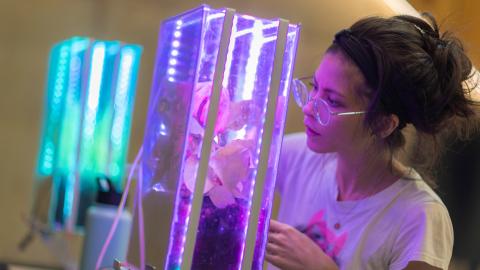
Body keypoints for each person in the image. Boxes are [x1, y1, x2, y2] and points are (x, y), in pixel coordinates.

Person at [265, 13, 479, 270]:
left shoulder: (420, 217)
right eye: (314, 87)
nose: (309, 108)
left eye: (332, 101)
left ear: (382, 124)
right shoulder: (297, 155)